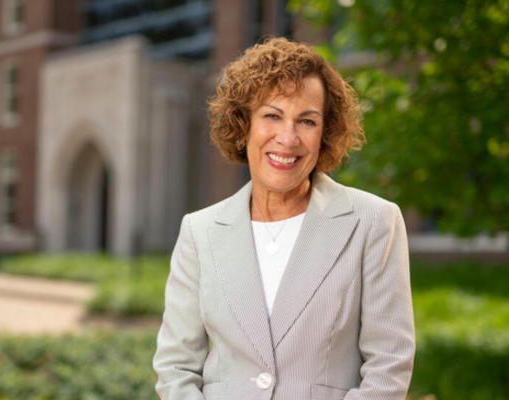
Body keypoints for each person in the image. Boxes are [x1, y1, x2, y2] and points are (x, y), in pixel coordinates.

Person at [153, 37, 415, 400]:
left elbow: (388, 368)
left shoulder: (375, 223)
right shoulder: (199, 232)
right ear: (244, 125)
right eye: (272, 115)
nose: (288, 138)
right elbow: (176, 367)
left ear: (325, 132)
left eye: (307, 121)